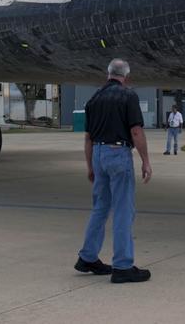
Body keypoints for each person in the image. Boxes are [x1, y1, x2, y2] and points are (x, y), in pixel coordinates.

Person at [76, 58, 153, 284]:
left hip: (98, 154)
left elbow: (88, 138)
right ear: (126, 76)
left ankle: (87, 257)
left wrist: (90, 166)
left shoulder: (94, 99)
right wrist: (146, 161)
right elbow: (136, 132)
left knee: (100, 207)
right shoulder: (128, 96)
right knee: (123, 209)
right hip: (118, 154)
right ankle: (122, 265)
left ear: (108, 74)